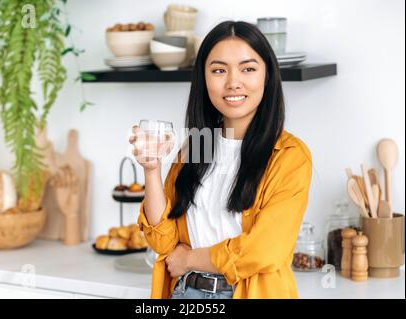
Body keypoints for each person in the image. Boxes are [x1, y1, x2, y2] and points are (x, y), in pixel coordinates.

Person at [128, 20, 312, 299]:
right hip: (186, 294)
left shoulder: (289, 155)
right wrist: (151, 170)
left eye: (248, 68)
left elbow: (263, 251)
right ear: (203, 78)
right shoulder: (198, 146)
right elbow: (163, 241)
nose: (233, 82)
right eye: (218, 70)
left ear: (267, 76)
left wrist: (190, 260)